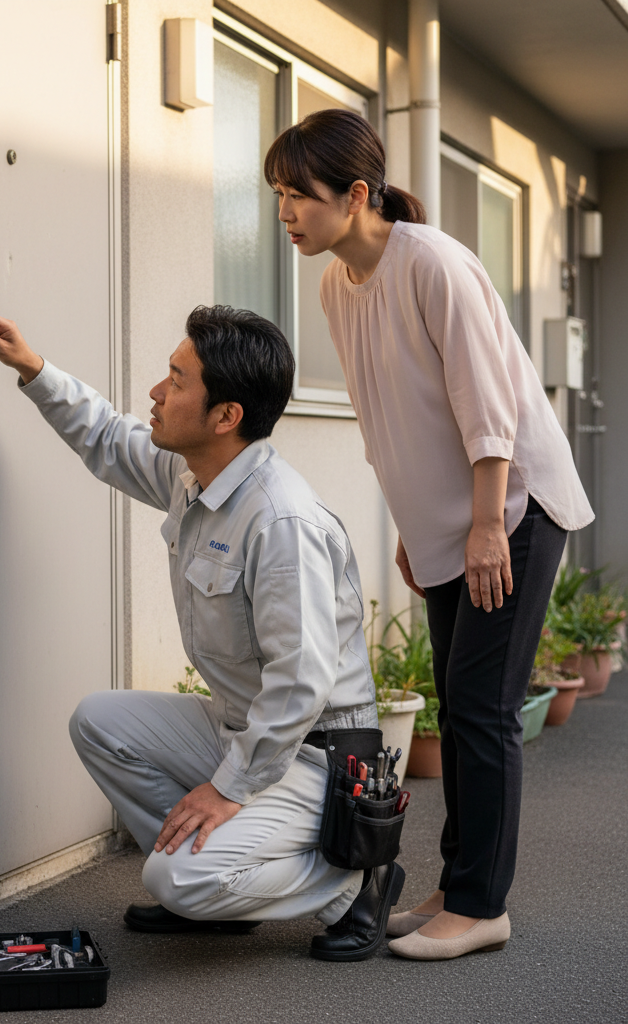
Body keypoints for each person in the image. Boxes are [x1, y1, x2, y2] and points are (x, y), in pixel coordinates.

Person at [0, 301, 402, 961]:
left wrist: (227, 790)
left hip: (317, 755)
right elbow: (106, 436)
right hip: (244, 727)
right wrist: (29, 365)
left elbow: (300, 684)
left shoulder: (282, 523)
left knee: (175, 879)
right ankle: (224, 894)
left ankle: (349, 880)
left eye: (176, 380)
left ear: (226, 416)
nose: (156, 391)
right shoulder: (195, 474)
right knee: (99, 722)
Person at [264, 109, 594, 961]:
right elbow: (385, 419)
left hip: (513, 507)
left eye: (299, 194)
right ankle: (457, 887)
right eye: (278, 195)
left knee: (483, 708)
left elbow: (488, 404)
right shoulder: (338, 285)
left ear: (357, 194)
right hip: (454, 523)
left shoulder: (433, 263)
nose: (286, 212)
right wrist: (419, 529)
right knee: (458, 702)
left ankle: (483, 907)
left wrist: (484, 525)